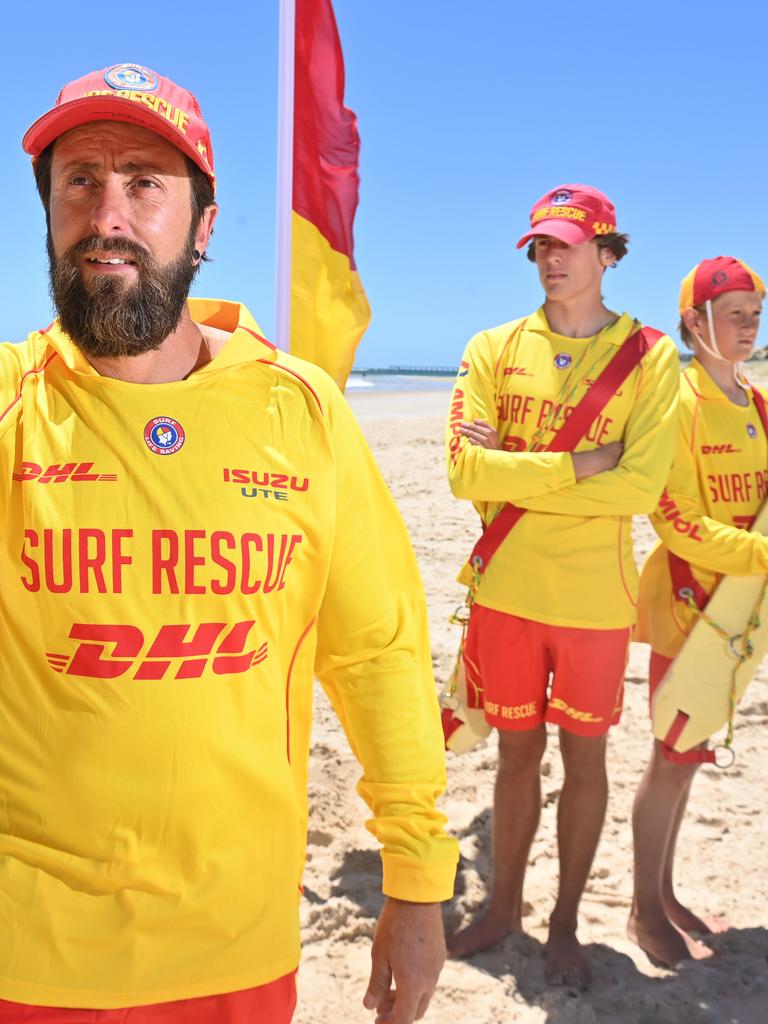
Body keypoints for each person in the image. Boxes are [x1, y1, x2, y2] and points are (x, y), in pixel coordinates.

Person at [0, 63, 458, 1023]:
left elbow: (376, 653)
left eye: (145, 182)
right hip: (26, 959)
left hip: (236, 953)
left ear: (205, 226)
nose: (107, 212)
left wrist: (416, 879)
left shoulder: (303, 415)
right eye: (78, 180)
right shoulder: (12, 403)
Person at [444, 184, 679, 987]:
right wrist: (580, 464)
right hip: (507, 592)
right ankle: (503, 907)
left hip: (594, 602)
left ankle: (566, 925)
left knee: (585, 763)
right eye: (540, 246)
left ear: (607, 254)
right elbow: (462, 471)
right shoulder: (491, 347)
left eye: (566, 245)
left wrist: (521, 474)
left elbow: (642, 486)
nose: (550, 258)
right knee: (514, 759)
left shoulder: (650, 359)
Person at [630, 256, 766, 967]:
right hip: (688, 608)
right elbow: (677, 520)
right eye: (733, 311)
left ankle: (667, 894)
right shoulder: (676, 404)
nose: (748, 324)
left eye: (755, 311)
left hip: (739, 615)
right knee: (669, 762)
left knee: (690, 760)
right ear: (694, 321)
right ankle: (643, 910)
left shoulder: (758, 402)